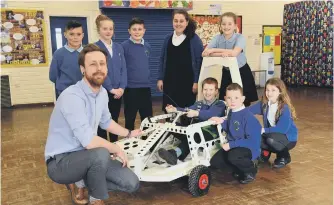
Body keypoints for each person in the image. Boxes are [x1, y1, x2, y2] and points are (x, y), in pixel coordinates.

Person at [45, 44, 141, 205]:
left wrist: (129, 133)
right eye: (92, 64)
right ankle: (96, 199)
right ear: (83, 69)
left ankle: (82, 181)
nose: (99, 68)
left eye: (102, 63)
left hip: (88, 156)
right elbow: (89, 141)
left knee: (131, 183)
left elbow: (106, 122)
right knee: (101, 152)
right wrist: (116, 148)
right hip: (61, 162)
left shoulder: (102, 93)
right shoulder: (72, 96)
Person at [158, 77, 226, 165]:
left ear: (216, 91)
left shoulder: (219, 104)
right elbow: (187, 109)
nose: (208, 92)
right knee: (172, 124)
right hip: (194, 131)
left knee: (193, 133)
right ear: (202, 90)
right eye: (205, 89)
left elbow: (210, 114)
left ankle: (175, 154)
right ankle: (154, 148)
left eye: (211, 89)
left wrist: (196, 113)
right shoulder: (199, 103)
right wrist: (174, 109)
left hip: (210, 135)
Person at [202, 12, 258, 107]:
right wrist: (222, 54)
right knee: (225, 100)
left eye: (229, 24)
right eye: (223, 24)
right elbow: (204, 53)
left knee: (242, 101)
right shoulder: (217, 38)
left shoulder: (240, 37)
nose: (226, 27)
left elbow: (234, 53)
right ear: (220, 25)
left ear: (235, 25)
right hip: (227, 72)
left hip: (242, 71)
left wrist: (214, 50)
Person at [210, 83, 261, 184]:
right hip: (236, 146)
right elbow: (232, 128)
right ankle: (238, 168)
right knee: (215, 162)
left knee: (232, 156)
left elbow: (251, 141)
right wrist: (221, 122)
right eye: (229, 98)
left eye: (236, 98)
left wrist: (230, 145)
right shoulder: (231, 112)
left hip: (249, 147)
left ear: (242, 99)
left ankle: (250, 169)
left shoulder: (247, 116)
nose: (232, 101)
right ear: (225, 98)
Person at [157, 9, 203, 112]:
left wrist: (196, 82)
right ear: (172, 22)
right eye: (176, 21)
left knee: (185, 113)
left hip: (187, 84)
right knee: (169, 113)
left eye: (181, 21)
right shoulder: (167, 39)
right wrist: (160, 78)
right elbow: (162, 59)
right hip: (169, 83)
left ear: (186, 22)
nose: (178, 24)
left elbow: (199, 62)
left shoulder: (194, 39)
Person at [248, 78, 298, 168]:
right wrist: (232, 114)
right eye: (267, 90)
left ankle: (284, 156)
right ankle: (265, 153)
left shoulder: (285, 108)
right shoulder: (264, 104)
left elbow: (281, 129)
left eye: (273, 90)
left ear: (280, 92)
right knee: (253, 136)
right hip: (271, 134)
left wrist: (263, 130)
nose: (269, 93)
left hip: (288, 138)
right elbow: (248, 111)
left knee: (270, 139)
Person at [95, 14, 127, 142]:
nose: (108, 31)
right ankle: (102, 148)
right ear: (99, 30)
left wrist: (122, 88)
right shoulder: (95, 47)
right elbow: (99, 71)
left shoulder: (119, 47)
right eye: (105, 29)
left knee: (114, 119)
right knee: (101, 121)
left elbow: (123, 69)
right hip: (102, 91)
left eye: (110, 29)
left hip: (117, 92)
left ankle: (114, 146)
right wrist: (110, 88)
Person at [121, 17, 153, 131]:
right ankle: (129, 142)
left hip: (145, 88)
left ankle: (147, 142)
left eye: (140, 29)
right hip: (130, 89)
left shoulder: (147, 46)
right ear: (129, 31)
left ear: (144, 30)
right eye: (134, 29)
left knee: (148, 120)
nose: (137, 32)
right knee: (130, 119)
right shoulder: (124, 46)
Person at [49, 20, 84, 99]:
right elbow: (53, 76)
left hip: (85, 92)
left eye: (78, 34)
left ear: (82, 35)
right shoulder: (59, 54)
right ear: (65, 35)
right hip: (65, 93)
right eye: (71, 34)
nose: (75, 37)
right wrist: (63, 86)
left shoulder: (88, 52)